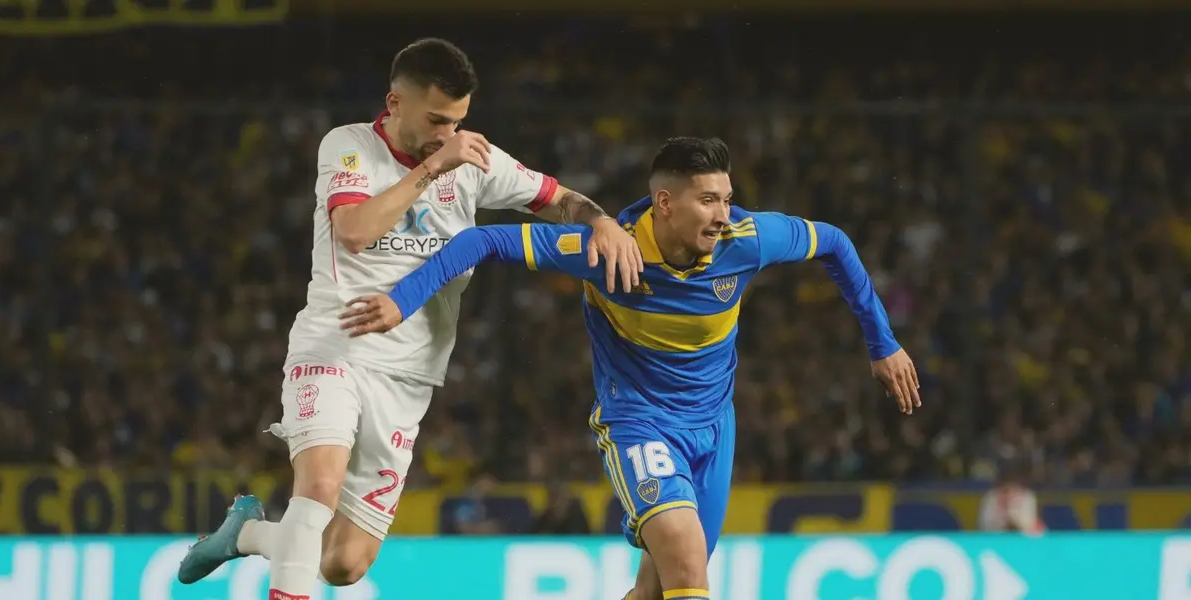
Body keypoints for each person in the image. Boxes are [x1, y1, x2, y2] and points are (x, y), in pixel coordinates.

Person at [341, 137, 921, 600]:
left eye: (726, 197)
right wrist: (402, 299)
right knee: (689, 563)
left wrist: (883, 343)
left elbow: (836, 243)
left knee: (656, 588)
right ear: (666, 203)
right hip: (639, 423)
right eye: (708, 200)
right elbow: (484, 239)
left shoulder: (748, 238)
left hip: (715, 430)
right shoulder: (609, 251)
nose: (723, 215)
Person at [177, 38, 642, 598]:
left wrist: (602, 221)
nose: (447, 134)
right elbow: (354, 231)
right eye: (436, 120)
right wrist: (436, 167)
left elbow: (559, 197)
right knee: (317, 487)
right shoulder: (348, 146)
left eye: (458, 122)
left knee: (343, 564)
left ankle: (244, 534)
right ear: (394, 104)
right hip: (335, 346)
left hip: (408, 376)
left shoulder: (475, 160)